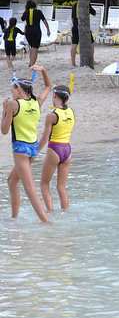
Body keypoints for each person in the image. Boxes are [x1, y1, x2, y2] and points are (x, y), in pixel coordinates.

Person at [1, 66, 51, 222]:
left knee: (30, 190)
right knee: (11, 180)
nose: (12, 93)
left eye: (13, 90)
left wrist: (4, 110)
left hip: (21, 150)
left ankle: (47, 223)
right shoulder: (37, 102)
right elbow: (48, 86)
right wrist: (43, 70)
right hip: (33, 149)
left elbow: (4, 130)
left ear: (20, 90)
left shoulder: (14, 105)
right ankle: (14, 218)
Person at [38, 85, 74, 212]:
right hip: (67, 150)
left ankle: (51, 214)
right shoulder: (72, 111)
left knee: (44, 184)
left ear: (54, 95)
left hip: (55, 149)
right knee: (61, 187)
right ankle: (66, 213)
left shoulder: (52, 115)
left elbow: (44, 138)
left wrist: (34, 152)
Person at [21, 0, 51, 67]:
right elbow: (45, 21)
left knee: (32, 47)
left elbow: (22, 19)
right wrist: (48, 30)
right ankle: (32, 64)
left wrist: (25, 10)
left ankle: (30, 63)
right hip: (36, 32)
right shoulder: (38, 12)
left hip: (28, 32)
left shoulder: (26, 13)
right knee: (35, 49)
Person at [71, 0, 97, 67]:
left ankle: (73, 63)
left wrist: (75, 25)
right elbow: (94, 13)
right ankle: (92, 60)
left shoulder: (74, 5)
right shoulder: (87, 5)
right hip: (84, 26)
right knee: (91, 43)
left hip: (75, 26)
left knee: (74, 44)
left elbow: (72, 18)